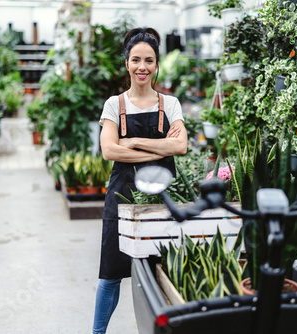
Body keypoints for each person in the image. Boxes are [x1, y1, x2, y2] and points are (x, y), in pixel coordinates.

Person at [92, 27, 188, 334]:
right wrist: (157, 150)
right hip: (122, 195)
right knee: (110, 274)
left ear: (157, 63)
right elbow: (109, 150)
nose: (142, 67)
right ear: (127, 63)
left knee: (162, 270)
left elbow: (180, 146)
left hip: (162, 197)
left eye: (149, 60)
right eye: (136, 60)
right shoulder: (114, 105)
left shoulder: (170, 104)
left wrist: (132, 142)